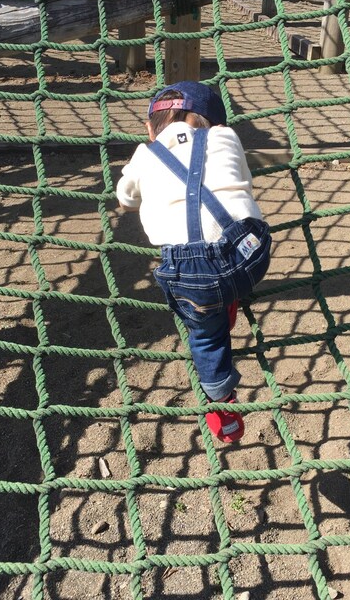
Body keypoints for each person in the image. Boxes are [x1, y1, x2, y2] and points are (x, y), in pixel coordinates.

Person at [116, 81, 271, 443]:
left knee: (204, 335)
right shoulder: (225, 137)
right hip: (249, 254)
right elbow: (242, 181)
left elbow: (125, 199)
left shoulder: (145, 155)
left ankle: (222, 404)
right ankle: (227, 293)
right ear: (216, 123)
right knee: (234, 253)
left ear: (150, 128)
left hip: (189, 274)